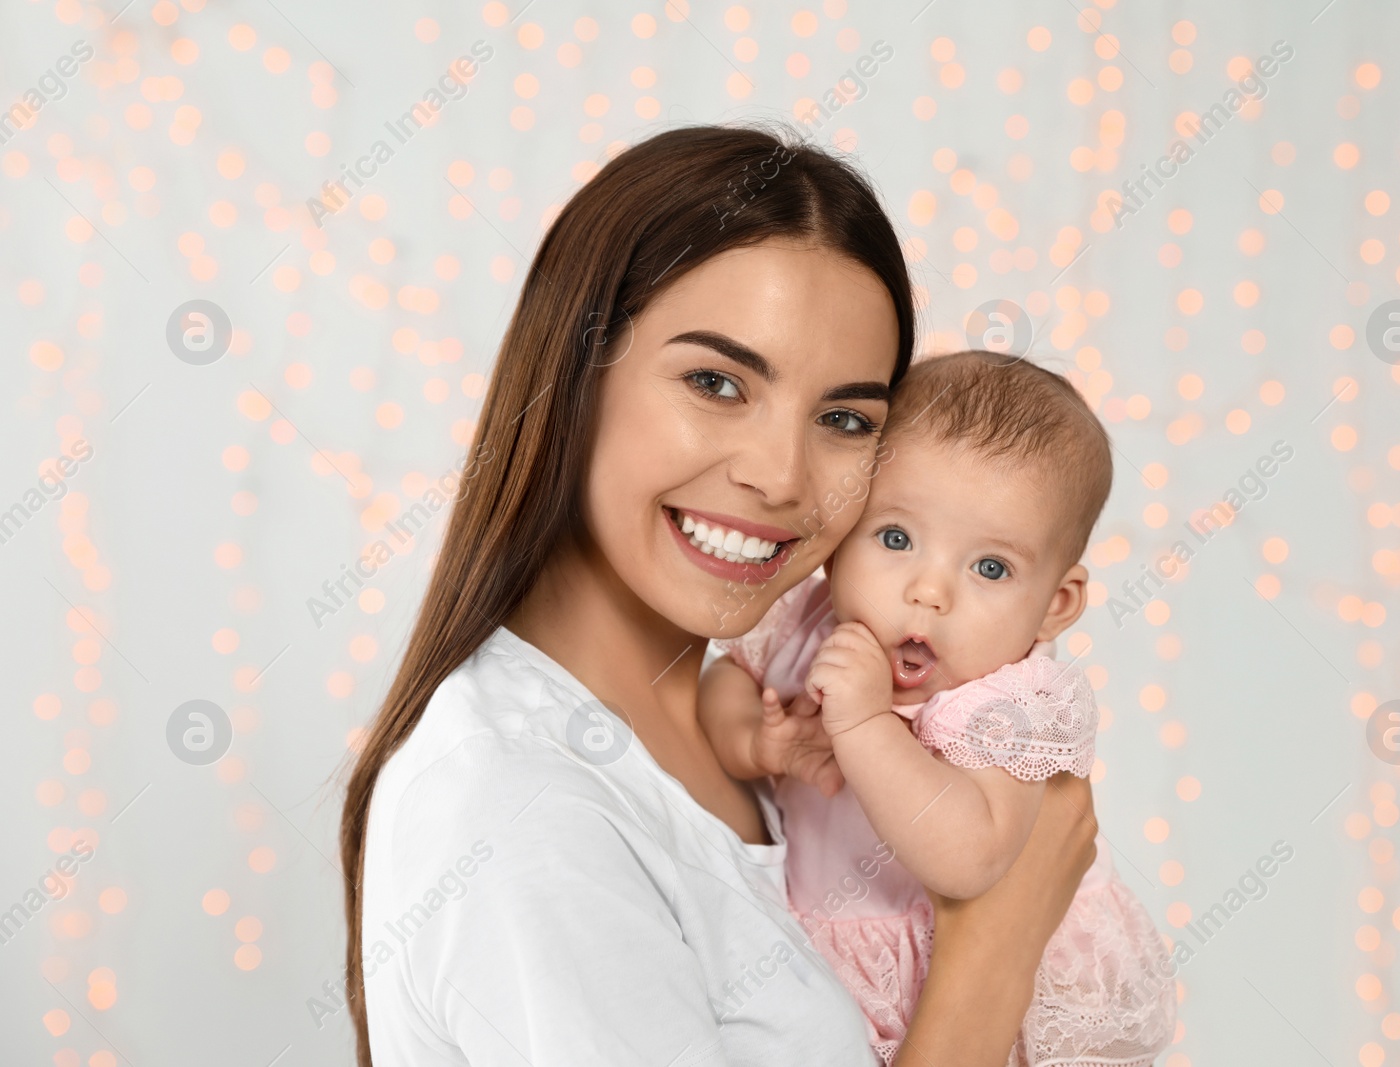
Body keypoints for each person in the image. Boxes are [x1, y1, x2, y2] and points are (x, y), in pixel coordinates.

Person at [338, 124, 1101, 1066]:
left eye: (845, 419)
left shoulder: (760, 723)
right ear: (575, 377)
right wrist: (994, 947)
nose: (782, 476)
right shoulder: (523, 810)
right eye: (716, 381)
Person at [700, 350, 1176, 1065]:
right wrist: (758, 742)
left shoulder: (1013, 701)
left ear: (1056, 605)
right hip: (829, 962)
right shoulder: (812, 619)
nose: (928, 591)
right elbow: (723, 685)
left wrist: (862, 725)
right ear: (838, 540)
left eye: (990, 567)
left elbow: (970, 858)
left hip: (978, 992)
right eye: (895, 539)